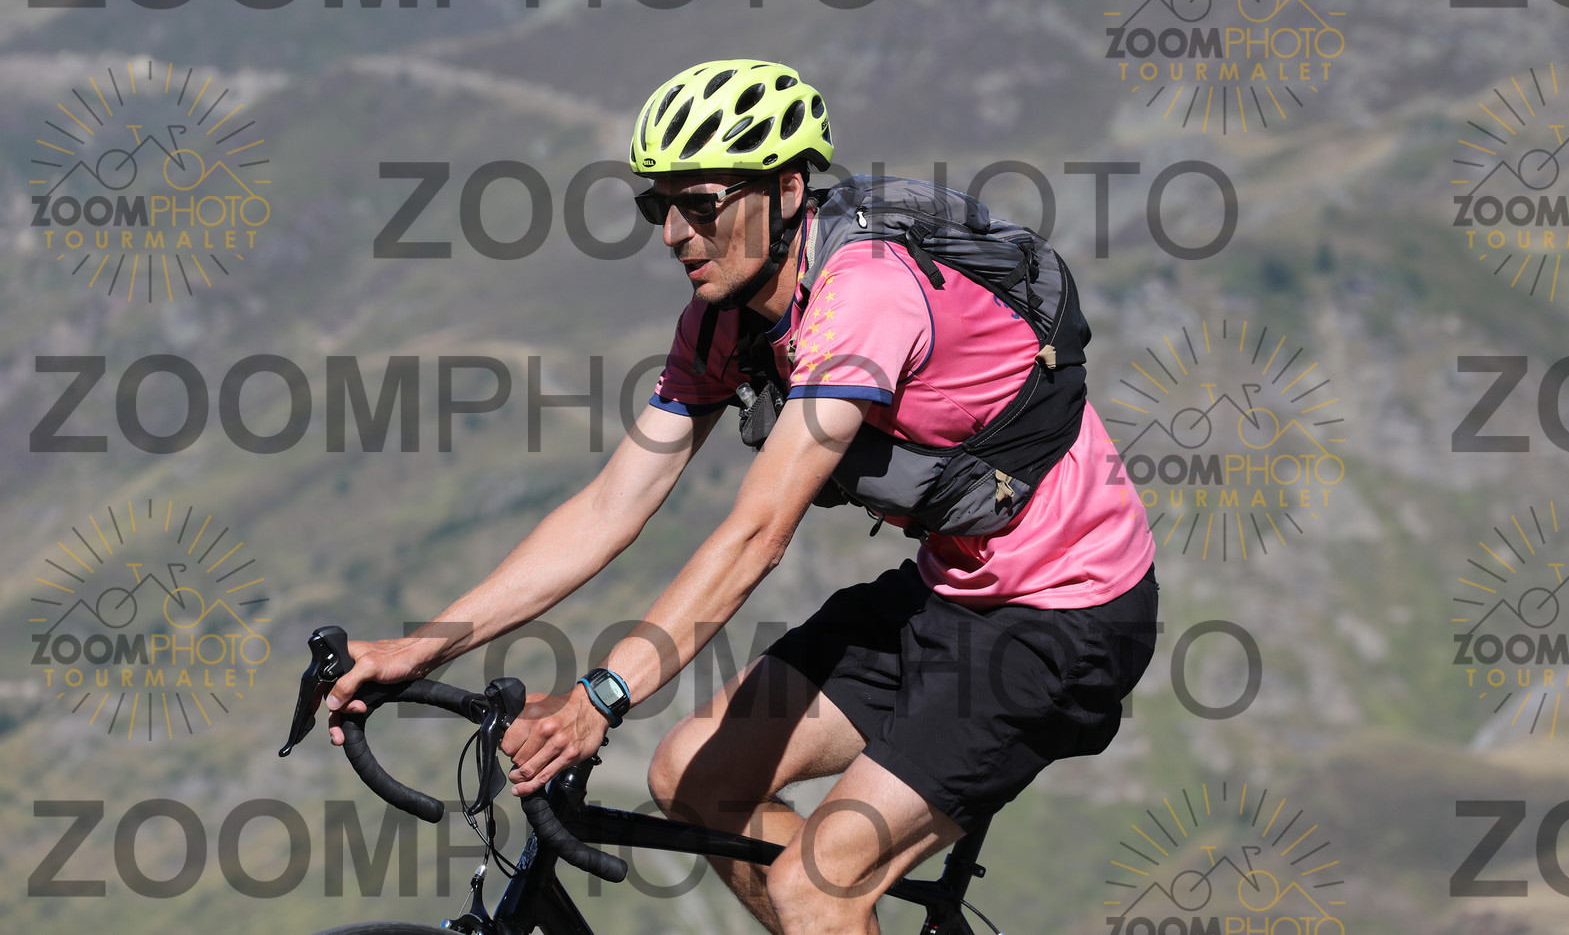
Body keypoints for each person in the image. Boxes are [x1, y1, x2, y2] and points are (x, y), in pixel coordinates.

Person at [326, 58, 1158, 935]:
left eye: (700, 204)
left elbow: (759, 531)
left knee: (818, 885)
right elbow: (612, 505)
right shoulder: (722, 323)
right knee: (693, 775)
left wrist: (601, 695)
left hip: (1065, 617)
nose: (673, 233)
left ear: (787, 189)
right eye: (657, 206)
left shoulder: (866, 295)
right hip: (948, 591)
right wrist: (418, 649)